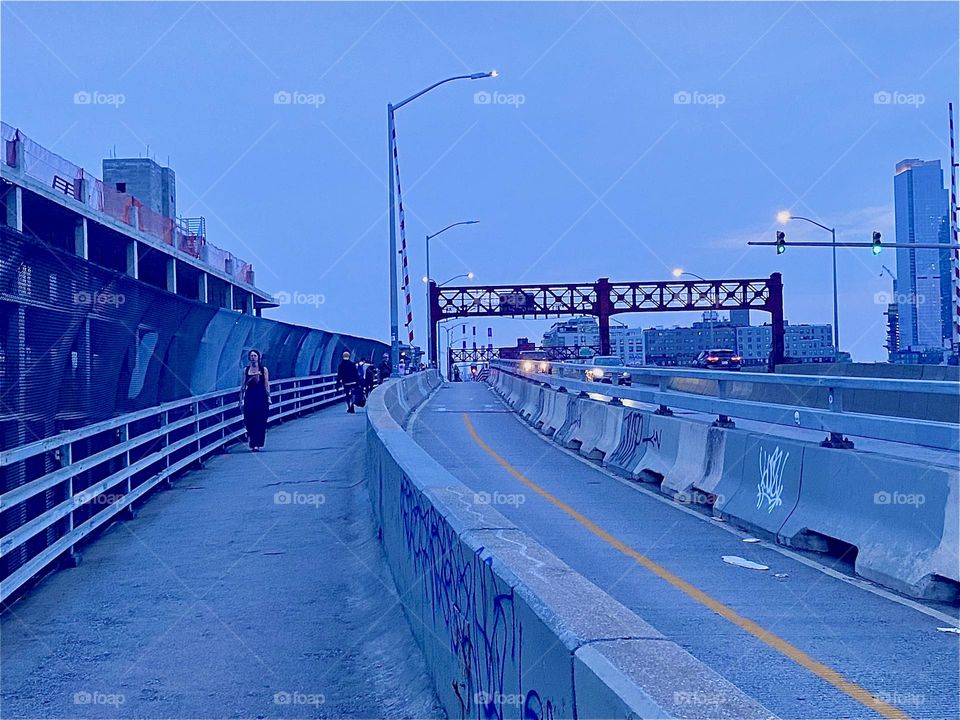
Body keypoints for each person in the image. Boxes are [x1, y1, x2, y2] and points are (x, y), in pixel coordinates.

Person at [241, 349, 270, 451]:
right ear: (249, 358)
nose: (253, 357)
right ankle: (252, 441)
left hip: (261, 396)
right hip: (250, 396)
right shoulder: (246, 370)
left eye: (255, 356)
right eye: (251, 356)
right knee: (249, 419)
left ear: (258, 357)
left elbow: (266, 384)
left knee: (260, 419)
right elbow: (243, 385)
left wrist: (269, 397)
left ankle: (257, 443)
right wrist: (241, 399)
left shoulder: (263, 370)